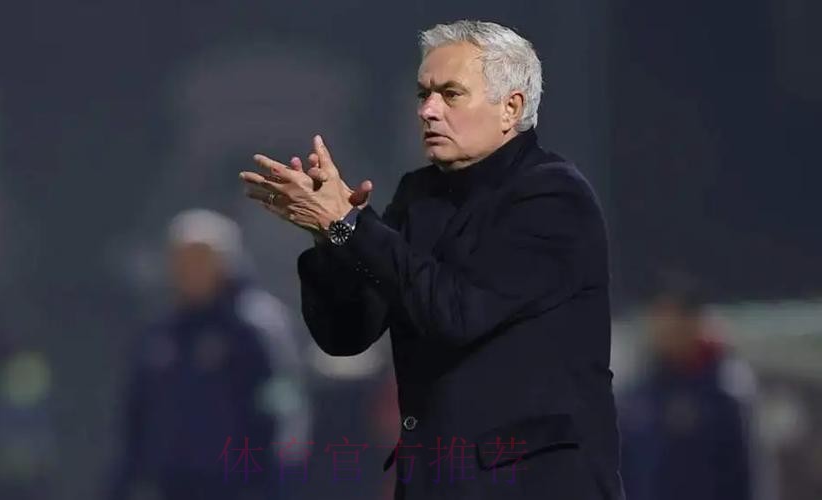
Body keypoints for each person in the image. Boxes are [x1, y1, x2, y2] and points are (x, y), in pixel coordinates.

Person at [239, 20, 623, 499]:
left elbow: (457, 312)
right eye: (423, 94)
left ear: (511, 107)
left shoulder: (552, 197)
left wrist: (349, 225)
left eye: (450, 94)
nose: (428, 110)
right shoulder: (417, 196)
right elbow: (347, 334)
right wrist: (329, 234)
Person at [109, 209, 310, 500]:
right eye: (180, 260)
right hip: (172, 487)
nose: (188, 270)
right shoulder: (163, 334)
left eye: (199, 260)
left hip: (237, 487)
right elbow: (137, 416)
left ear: (225, 263)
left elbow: (284, 408)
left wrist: (274, 482)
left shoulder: (254, 327)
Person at [619, 271, 757, 500]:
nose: (664, 327)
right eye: (658, 314)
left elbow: (745, 476)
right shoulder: (638, 394)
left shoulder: (725, 391)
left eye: (673, 315)